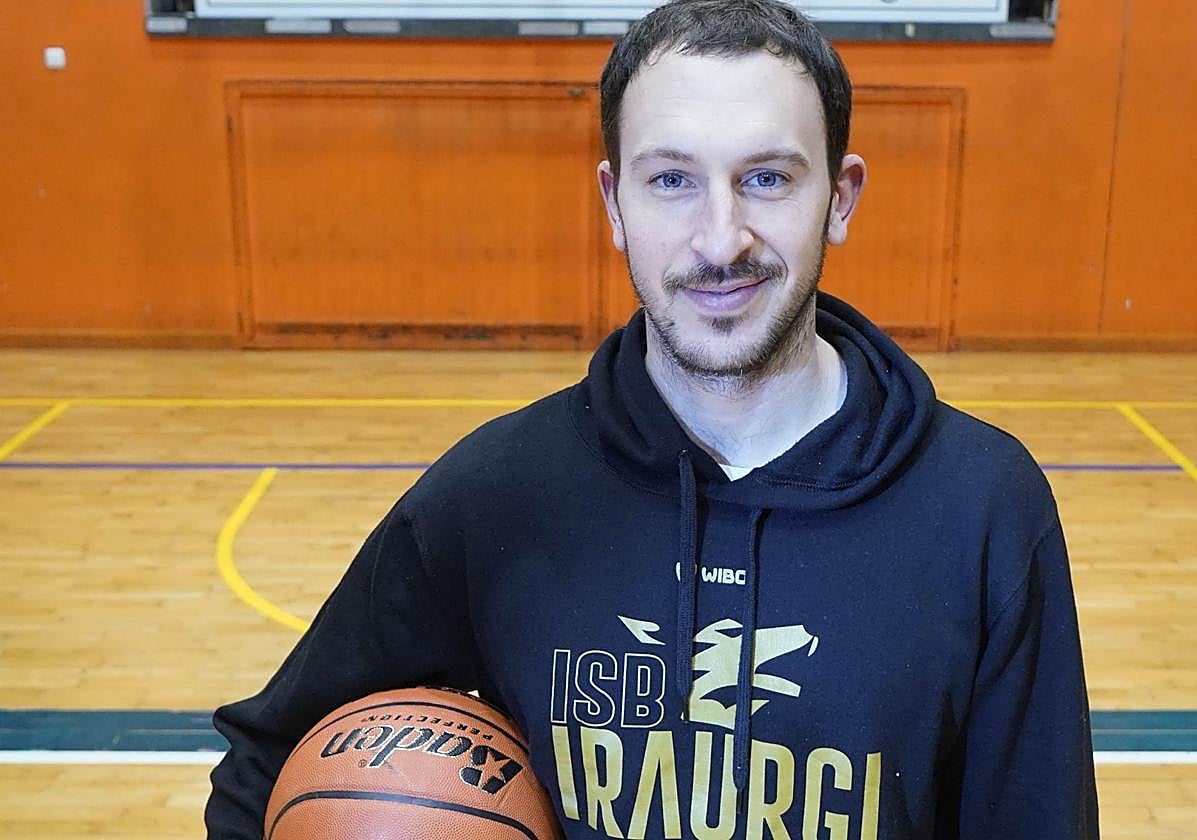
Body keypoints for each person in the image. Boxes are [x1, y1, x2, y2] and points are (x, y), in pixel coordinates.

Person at [205, 1, 1099, 837]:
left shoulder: (979, 506)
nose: (721, 239)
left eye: (767, 178)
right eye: (671, 179)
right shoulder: (499, 494)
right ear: (613, 204)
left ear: (840, 197)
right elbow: (266, 764)